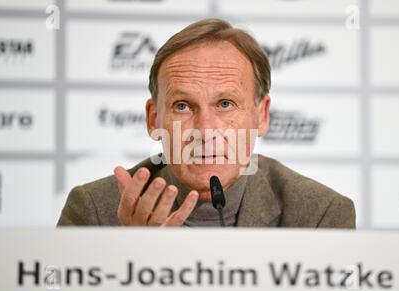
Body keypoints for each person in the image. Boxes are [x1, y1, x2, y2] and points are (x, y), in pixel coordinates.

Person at [57, 19, 355, 228]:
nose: (204, 131)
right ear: (153, 119)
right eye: (183, 106)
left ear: (261, 116)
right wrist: (133, 261)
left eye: (225, 104)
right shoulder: (93, 210)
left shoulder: (320, 215)